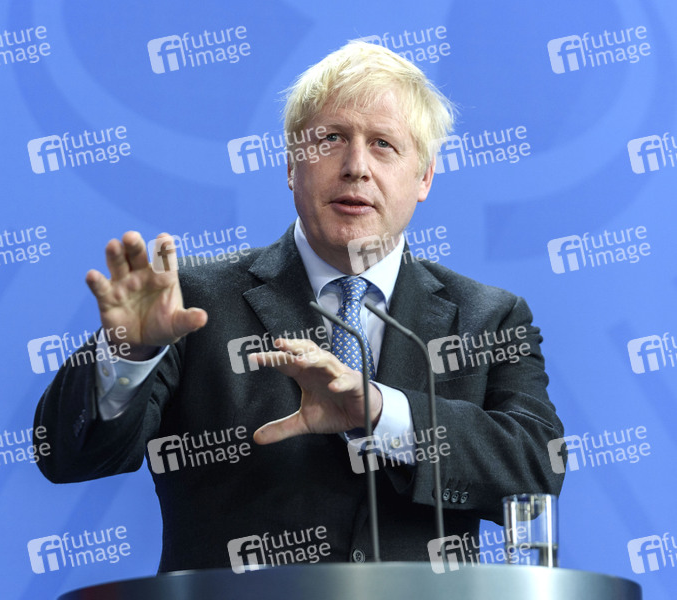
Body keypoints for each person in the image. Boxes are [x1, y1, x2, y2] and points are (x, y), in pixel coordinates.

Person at [34, 40, 565, 572]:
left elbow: (538, 470)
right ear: (292, 165)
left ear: (424, 176)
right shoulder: (190, 301)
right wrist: (130, 352)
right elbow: (67, 455)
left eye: (383, 144)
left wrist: (381, 412)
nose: (356, 167)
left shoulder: (487, 318)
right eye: (331, 139)